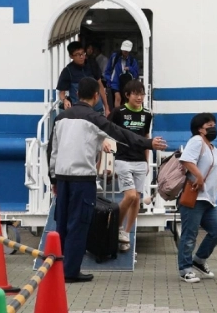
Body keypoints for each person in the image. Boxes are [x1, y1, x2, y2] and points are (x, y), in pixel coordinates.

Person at [47, 77, 168, 283]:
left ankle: (57, 265)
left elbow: (53, 150)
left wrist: (53, 180)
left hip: (62, 178)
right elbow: (121, 134)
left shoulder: (60, 118)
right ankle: (71, 271)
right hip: (82, 179)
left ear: (76, 94)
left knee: (63, 223)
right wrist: (148, 143)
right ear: (96, 96)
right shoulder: (94, 118)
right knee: (79, 223)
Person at [177, 112, 217, 284]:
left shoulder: (213, 149)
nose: (213, 128)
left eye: (214, 125)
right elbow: (186, 160)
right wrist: (199, 177)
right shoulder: (196, 141)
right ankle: (185, 268)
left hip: (209, 200)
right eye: (209, 125)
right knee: (190, 234)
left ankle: (199, 260)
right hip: (194, 197)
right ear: (200, 129)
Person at [108, 80, 153, 250]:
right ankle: (116, 226)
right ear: (127, 95)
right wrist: (106, 159)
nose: (140, 97)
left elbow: (146, 136)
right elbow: (106, 132)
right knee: (130, 196)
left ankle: (126, 232)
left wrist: (147, 161)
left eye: (142, 94)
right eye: (136, 94)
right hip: (122, 159)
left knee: (137, 200)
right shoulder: (118, 112)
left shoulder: (147, 114)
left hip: (140, 160)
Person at [56, 41, 108, 114]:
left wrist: (106, 107)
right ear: (71, 56)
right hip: (79, 111)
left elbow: (100, 86)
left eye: (83, 53)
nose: (81, 56)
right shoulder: (67, 71)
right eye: (77, 54)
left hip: (97, 109)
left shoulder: (92, 64)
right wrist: (65, 100)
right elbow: (61, 93)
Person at [103, 40, 139, 110]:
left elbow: (136, 73)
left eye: (127, 50)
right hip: (115, 82)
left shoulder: (132, 60)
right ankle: (117, 115)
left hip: (128, 83)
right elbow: (108, 70)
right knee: (118, 98)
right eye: (124, 50)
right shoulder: (115, 57)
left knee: (127, 100)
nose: (125, 52)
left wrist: (130, 69)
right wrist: (109, 81)